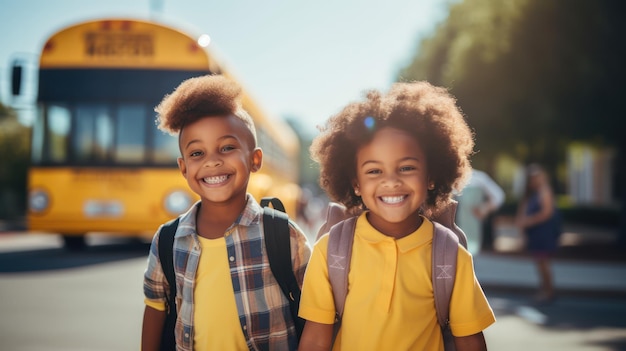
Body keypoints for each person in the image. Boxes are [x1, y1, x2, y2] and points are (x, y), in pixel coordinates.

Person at [299, 81, 496, 351]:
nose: (391, 181)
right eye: (374, 171)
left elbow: (470, 341)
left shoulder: (450, 254)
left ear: (430, 176)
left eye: (406, 167)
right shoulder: (330, 250)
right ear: (355, 183)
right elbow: (314, 339)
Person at [141, 74, 311, 351]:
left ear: (255, 160)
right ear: (183, 168)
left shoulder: (282, 234)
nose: (212, 161)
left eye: (227, 147)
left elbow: (318, 311)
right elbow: (155, 306)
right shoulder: (168, 239)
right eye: (197, 153)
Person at [515, 163, 561, 303]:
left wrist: (528, 221)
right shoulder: (532, 194)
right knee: (540, 263)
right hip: (536, 234)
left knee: (544, 263)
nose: (534, 180)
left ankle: (549, 292)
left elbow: (547, 213)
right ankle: (544, 290)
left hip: (544, 233)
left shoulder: (544, 191)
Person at [455, 169, 505, 255]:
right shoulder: (450, 178)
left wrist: (485, 208)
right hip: (456, 229)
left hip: (474, 229)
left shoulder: (479, 178)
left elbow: (498, 196)